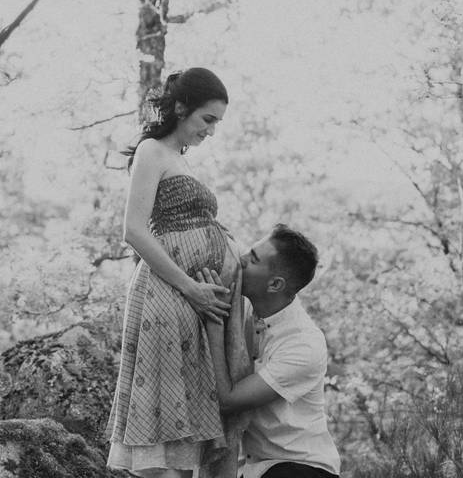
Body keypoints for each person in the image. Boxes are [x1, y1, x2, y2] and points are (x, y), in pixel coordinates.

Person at [106, 68, 253, 478]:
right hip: (168, 297)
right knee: (165, 432)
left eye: (217, 123)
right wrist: (191, 288)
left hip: (191, 303)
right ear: (182, 107)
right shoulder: (153, 150)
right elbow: (133, 229)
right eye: (208, 120)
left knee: (186, 427)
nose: (211, 131)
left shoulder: (177, 160)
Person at [197, 225, 341, 478]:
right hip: (254, 469)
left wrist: (214, 326)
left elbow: (228, 401)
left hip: (301, 468)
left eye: (251, 260)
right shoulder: (246, 311)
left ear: (274, 284)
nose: (240, 261)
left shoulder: (303, 344)